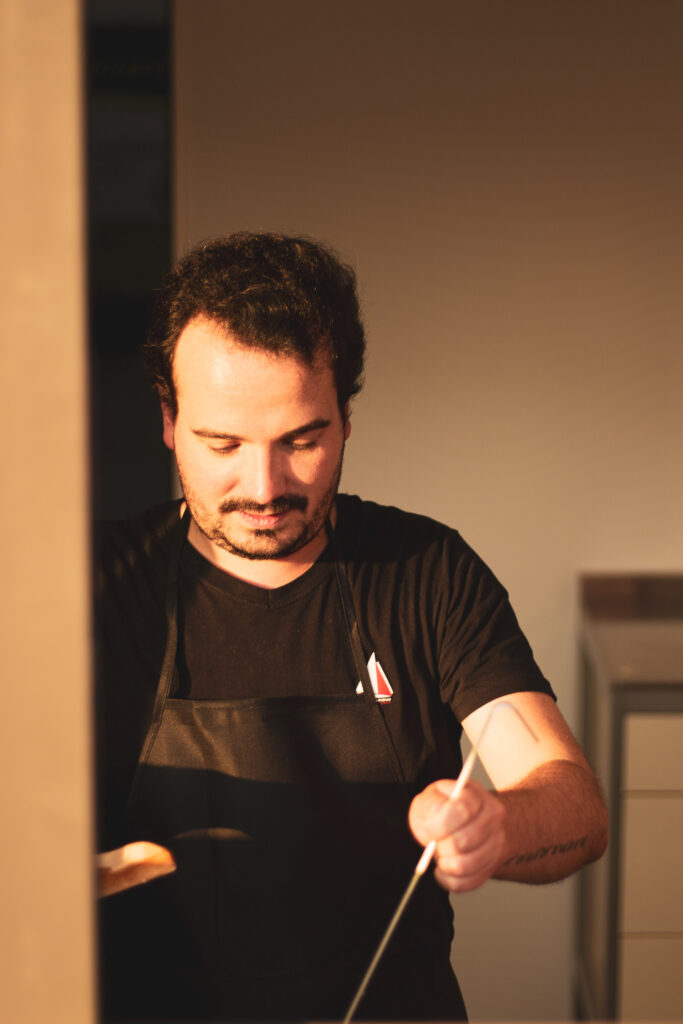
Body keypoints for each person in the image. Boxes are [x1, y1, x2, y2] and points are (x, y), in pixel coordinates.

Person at [95, 232, 607, 1022]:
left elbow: (574, 808)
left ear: (345, 418)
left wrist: (497, 827)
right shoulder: (97, 586)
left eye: (301, 441)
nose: (264, 486)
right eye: (222, 444)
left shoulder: (426, 572)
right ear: (168, 421)